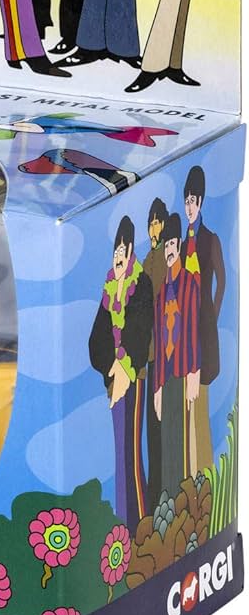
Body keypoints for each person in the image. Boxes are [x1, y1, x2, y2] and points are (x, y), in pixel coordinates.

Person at [88, 215, 153, 526]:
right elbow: (97, 337)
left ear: (131, 254)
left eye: (123, 251)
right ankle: (123, 518)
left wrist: (125, 368)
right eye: (116, 250)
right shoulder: (108, 289)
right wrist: (111, 366)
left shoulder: (141, 284)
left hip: (134, 378)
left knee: (131, 449)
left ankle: (138, 521)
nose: (118, 256)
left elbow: (141, 330)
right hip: (113, 378)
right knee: (118, 450)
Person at [152, 213, 202, 495]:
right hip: (167, 372)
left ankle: (183, 496)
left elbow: (193, 329)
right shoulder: (161, 292)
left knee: (183, 435)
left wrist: (195, 370)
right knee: (166, 437)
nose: (169, 250)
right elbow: (159, 342)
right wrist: (157, 385)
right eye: (166, 246)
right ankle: (169, 498)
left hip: (184, 368)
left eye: (173, 244)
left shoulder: (188, 284)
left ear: (180, 245)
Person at [181, 165, 226, 472]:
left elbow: (222, 281)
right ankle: (192, 475)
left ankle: (204, 475)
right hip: (184, 332)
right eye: (186, 201)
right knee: (187, 404)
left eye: (193, 201)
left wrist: (212, 315)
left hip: (203, 329)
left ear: (201, 202)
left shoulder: (210, 240)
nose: (189, 207)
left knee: (202, 399)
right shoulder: (181, 243)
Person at [142, 198, 169, 511]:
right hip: (148, 358)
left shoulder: (164, 258)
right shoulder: (148, 258)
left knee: (161, 425)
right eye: (150, 223)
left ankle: (160, 494)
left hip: (164, 357)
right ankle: (152, 497)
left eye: (156, 222)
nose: (153, 228)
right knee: (152, 426)